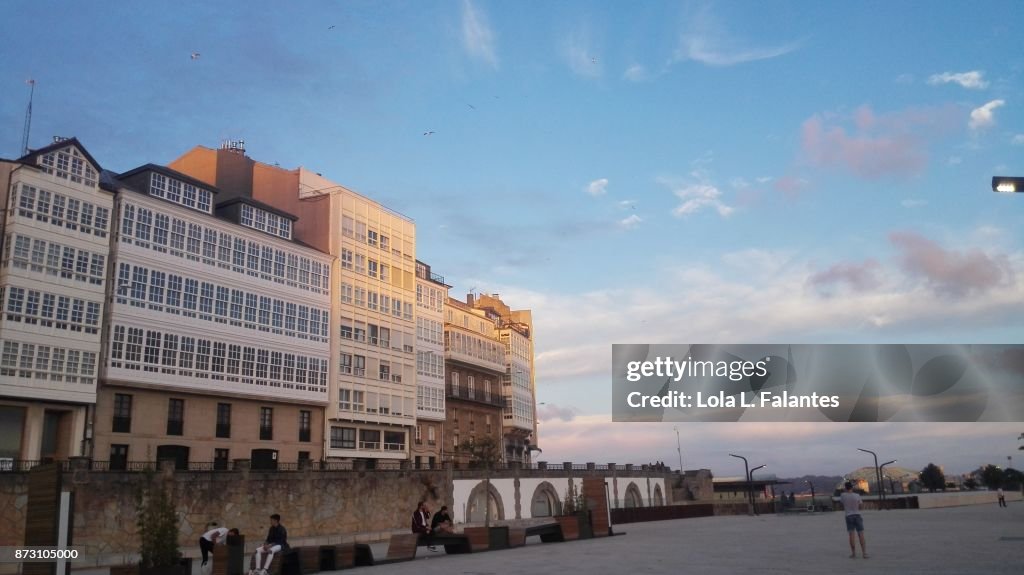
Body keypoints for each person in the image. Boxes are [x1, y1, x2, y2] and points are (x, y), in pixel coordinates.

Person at [840, 481, 867, 558]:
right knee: (861, 534)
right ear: (852, 487)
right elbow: (861, 506)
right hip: (857, 515)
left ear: (845, 488)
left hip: (848, 516)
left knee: (851, 535)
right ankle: (864, 553)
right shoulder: (857, 495)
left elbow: (842, 504)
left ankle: (853, 553)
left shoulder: (843, 495)